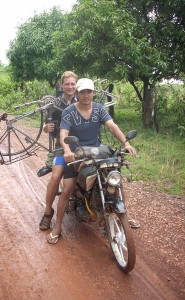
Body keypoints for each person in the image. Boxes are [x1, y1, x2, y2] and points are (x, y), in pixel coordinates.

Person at [47, 78, 137, 244]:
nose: (86, 95)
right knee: (67, 189)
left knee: (114, 180)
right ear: (77, 93)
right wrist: (67, 150)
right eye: (82, 92)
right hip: (75, 154)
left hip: (96, 152)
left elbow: (112, 126)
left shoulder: (99, 109)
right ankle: (57, 227)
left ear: (93, 93)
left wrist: (126, 143)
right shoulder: (69, 111)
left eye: (89, 92)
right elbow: (63, 135)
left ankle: (126, 215)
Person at [39, 71, 78, 231]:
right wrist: (45, 128)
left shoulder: (82, 100)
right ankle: (48, 212)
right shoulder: (54, 104)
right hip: (61, 148)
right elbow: (44, 126)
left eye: (72, 84)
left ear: (76, 85)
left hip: (81, 146)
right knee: (55, 177)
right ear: (61, 85)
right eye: (67, 84)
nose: (70, 87)